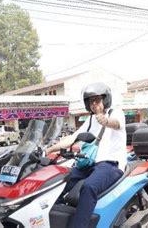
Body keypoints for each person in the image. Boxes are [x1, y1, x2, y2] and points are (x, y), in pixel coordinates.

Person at [46, 82, 126, 228]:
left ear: (105, 99)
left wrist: (106, 120)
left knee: (89, 187)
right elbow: (73, 137)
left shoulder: (116, 113)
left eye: (97, 100)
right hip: (88, 163)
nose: (94, 104)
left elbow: (116, 124)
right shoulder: (89, 120)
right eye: (90, 101)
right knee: (57, 183)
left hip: (111, 164)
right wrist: (50, 149)